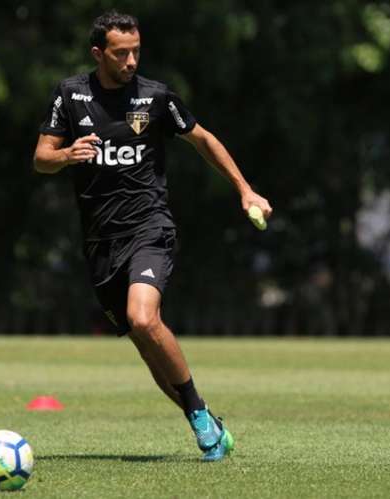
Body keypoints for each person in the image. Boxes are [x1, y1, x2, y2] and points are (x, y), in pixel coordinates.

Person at [33, 11, 272, 461]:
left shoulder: (156, 97)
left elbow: (203, 139)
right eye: (120, 52)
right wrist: (66, 154)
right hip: (100, 242)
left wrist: (245, 189)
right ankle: (204, 419)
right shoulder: (70, 94)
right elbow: (41, 158)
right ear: (98, 53)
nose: (130, 61)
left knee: (143, 318)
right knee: (146, 343)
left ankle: (200, 417)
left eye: (136, 51)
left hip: (150, 227)